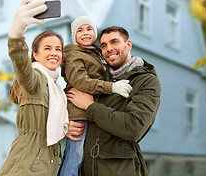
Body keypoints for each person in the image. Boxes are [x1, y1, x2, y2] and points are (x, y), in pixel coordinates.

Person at [67, 26, 161, 176]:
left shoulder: (146, 81)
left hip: (120, 169)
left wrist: (90, 106)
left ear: (128, 45)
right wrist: (66, 125)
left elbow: (133, 127)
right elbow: (71, 99)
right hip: (86, 168)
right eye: (103, 45)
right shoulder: (98, 79)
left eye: (114, 42)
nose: (108, 48)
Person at [0, 0, 69, 176]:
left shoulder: (57, 90)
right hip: (26, 167)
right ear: (35, 55)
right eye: (48, 48)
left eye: (58, 49)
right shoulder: (36, 79)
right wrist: (17, 31)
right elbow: (21, 64)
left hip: (45, 165)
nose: (54, 53)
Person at [58, 17, 132, 176]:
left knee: (84, 158)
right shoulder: (73, 54)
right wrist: (112, 87)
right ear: (74, 36)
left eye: (89, 29)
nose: (85, 33)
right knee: (75, 156)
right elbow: (81, 81)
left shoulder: (93, 53)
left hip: (91, 111)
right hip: (79, 113)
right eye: (80, 30)